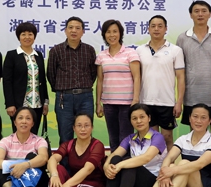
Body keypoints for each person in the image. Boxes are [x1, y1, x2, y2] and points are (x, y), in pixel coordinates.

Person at [131, 104, 211, 187]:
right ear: (189, 118)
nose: (198, 121)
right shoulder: (183, 139)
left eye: (203, 117)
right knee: (171, 165)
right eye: (195, 116)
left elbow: (199, 164)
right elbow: (169, 157)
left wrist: (171, 171)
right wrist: (165, 173)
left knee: (182, 163)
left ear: (209, 121)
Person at [91, 103, 166, 187]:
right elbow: (114, 154)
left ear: (149, 118)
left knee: (129, 162)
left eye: (142, 117)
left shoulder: (157, 137)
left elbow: (146, 158)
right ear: (131, 121)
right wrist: (106, 167)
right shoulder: (130, 138)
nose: (139, 121)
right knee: (116, 159)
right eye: (134, 118)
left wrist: (121, 165)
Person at [36, 113, 106, 187]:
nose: (83, 129)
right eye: (79, 125)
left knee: (77, 186)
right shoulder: (68, 144)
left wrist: (67, 184)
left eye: (86, 125)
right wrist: (54, 175)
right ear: (74, 128)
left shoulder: (97, 145)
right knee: (58, 169)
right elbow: (52, 159)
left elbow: (87, 169)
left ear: (92, 128)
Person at [176, 0, 211, 152]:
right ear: (191, 15)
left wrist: (210, 74)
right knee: (195, 133)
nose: (200, 14)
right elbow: (180, 66)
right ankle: (195, 162)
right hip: (192, 95)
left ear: (209, 14)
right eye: (196, 11)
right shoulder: (182, 38)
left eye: (204, 11)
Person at [137, 15, 185, 151]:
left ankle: (169, 163)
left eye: (160, 26)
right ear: (148, 29)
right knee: (150, 138)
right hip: (146, 101)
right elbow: (136, 77)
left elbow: (181, 77)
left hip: (167, 102)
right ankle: (153, 164)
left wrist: (179, 102)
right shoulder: (140, 50)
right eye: (153, 26)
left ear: (166, 29)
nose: (156, 29)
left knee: (167, 137)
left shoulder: (175, 50)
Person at [47, 16, 97, 144]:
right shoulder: (56, 50)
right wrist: (62, 89)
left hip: (85, 97)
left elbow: (93, 73)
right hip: (64, 98)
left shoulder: (89, 50)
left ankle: (87, 157)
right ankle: (65, 158)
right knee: (65, 135)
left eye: (77, 28)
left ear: (83, 31)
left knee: (85, 133)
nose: (74, 30)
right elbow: (51, 74)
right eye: (70, 27)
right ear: (65, 30)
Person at [95, 19, 141, 151]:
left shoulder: (130, 53)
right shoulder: (101, 56)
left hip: (127, 103)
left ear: (120, 33)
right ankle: (114, 162)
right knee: (113, 138)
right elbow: (100, 80)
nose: (112, 35)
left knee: (125, 138)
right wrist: (98, 103)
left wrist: (135, 100)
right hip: (108, 103)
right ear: (104, 35)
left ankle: (126, 163)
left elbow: (137, 77)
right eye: (108, 32)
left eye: (115, 31)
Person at [0, 107, 49, 187]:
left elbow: (43, 158)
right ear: (15, 122)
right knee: (0, 172)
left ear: (33, 123)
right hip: (12, 181)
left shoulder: (39, 140)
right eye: (20, 118)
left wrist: (25, 165)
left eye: (28, 118)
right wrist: (17, 167)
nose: (24, 121)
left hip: (35, 186)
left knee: (32, 156)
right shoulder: (6, 141)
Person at [2, 22, 49, 135]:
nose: (27, 37)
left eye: (30, 34)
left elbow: (42, 80)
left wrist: (45, 102)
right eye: (23, 34)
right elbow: (7, 81)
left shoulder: (38, 55)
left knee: (34, 135)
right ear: (19, 37)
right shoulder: (12, 55)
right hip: (19, 104)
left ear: (34, 36)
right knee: (20, 134)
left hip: (37, 104)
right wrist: (10, 104)